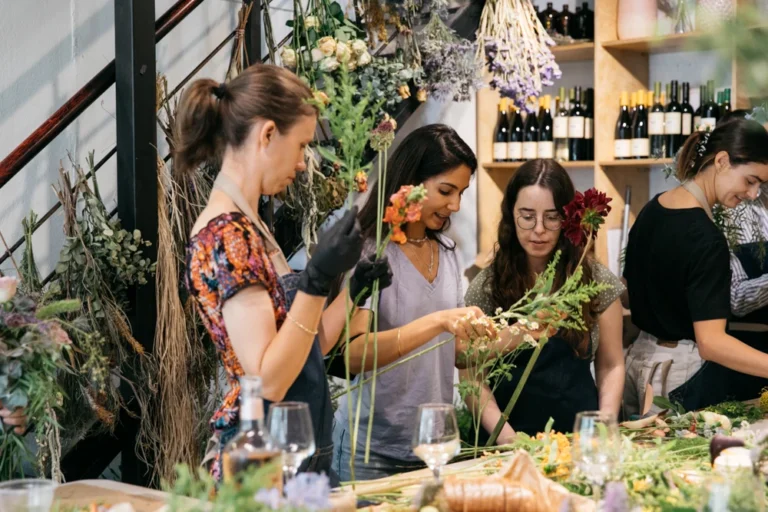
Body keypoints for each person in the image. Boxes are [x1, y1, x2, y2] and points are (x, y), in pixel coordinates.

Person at [180, 64, 391, 483]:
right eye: (301, 146)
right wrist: (314, 280)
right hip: (264, 462)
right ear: (268, 134)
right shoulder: (226, 235)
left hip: (301, 448)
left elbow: (310, 347)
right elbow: (269, 380)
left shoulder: (251, 223)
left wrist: (354, 291)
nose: (302, 163)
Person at [331, 124, 496, 481]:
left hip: (432, 445)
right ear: (410, 184)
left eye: (461, 193)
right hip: (370, 449)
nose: (454, 205)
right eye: (446, 191)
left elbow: (456, 353)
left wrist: (522, 330)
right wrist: (438, 321)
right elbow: (354, 355)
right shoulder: (372, 252)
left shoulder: (449, 253)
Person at [463, 159, 625, 440]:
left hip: (578, 439)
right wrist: (509, 441)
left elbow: (611, 365)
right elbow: (471, 376)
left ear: (569, 218)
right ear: (510, 215)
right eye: (527, 216)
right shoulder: (487, 286)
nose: (539, 229)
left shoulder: (597, 281)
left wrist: (602, 427)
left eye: (552, 217)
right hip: (504, 443)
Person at [623, 118, 768, 417]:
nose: (753, 194)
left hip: (638, 362)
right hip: (677, 375)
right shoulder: (706, 238)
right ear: (722, 161)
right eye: (750, 181)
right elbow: (711, 343)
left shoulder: (653, 208)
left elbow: (629, 291)